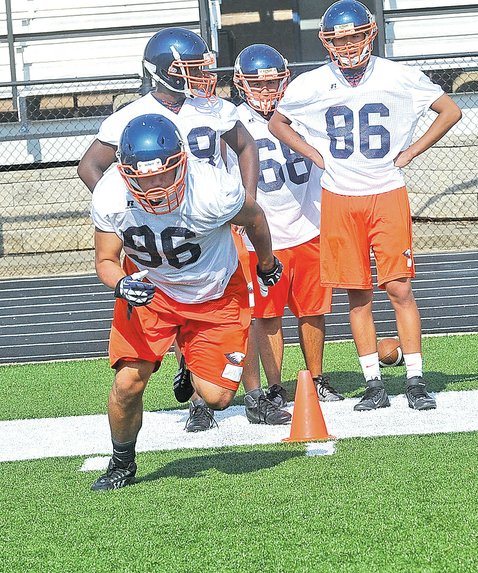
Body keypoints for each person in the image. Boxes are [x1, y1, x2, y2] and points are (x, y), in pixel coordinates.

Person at [269, 0, 462, 412]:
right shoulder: (311, 83)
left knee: (399, 287)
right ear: (327, 42)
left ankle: (414, 377)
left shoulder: (398, 75)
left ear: (370, 33)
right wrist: (314, 155)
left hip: (387, 190)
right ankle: (373, 381)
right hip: (339, 197)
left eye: (355, 35)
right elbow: (277, 122)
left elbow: (450, 109)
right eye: (340, 39)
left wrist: (411, 152)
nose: (349, 45)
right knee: (357, 294)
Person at [77, 27, 261, 432]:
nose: (200, 75)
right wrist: (137, 210)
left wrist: (245, 201)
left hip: (210, 217)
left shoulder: (213, 108)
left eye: (201, 67)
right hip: (160, 234)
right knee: (133, 370)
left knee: (217, 300)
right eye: (189, 68)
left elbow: (247, 146)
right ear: (160, 72)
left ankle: (209, 370)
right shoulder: (129, 118)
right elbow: (90, 166)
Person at [89, 114, 285, 491]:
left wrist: (266, 263)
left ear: (183, 161)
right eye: (145, 178)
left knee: (218, 398)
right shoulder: (111, 193)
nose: (157, 186)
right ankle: (121, 462)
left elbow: (257, 219)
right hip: (151, 291)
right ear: (125, 171)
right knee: (128, 383)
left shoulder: (213, 187)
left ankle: (189, 358)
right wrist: (121, 284)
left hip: (214, 295)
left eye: (164, 174)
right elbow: (105, 260)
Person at [230, 43, 344, 411]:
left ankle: (318, 377)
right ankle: (277, 385)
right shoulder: (229, 123)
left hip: (310, 225)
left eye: (273, 83)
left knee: (313, 310)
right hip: (262, 237)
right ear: (240, 83)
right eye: (257, 84)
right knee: (267, 315)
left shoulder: (303, 110)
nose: (266, 91)